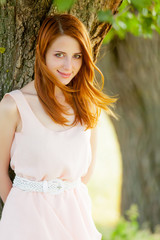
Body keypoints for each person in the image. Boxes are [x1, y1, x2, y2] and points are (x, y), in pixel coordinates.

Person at [0, 14, 117, 239]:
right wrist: (22, 210)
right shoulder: (12, 106)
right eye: (59, 55)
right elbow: (0, 174)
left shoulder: (87, 105)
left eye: (77, 56)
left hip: (75, 218)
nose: (68, 66)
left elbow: (87, 171)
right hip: (26, 221)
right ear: (42, 52)